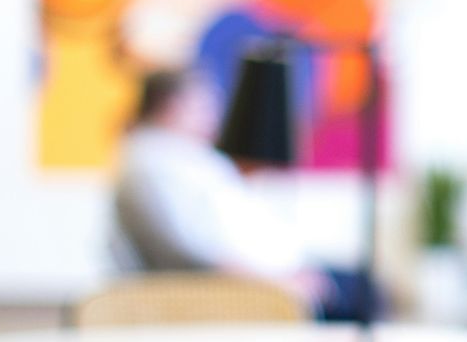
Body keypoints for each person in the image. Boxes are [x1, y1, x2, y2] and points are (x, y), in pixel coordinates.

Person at [112, 69, 379, 320]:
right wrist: (278, 282)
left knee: (362, 286)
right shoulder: (151, 165)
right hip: (235, 289)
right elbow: (190, 253)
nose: (215, 114)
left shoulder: (180, 156)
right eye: (204, 104)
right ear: (172, 106)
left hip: (271, 273)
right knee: (362, 295)